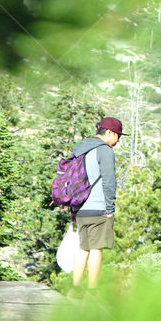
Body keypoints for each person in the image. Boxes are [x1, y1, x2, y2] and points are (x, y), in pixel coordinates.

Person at [70, 116, 125, 296]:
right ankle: (93, 291)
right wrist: (110, 209)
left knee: (83, 248)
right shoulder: (105, 150)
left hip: (79, 207)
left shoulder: (81, 149)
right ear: (109, 133)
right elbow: (109, 181)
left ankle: (75, 288)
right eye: (118, 135)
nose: (118, 140)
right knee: (96, 249)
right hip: (98, 206)